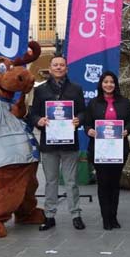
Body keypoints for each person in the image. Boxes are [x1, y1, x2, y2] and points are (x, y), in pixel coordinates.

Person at [27, 56, 88, 231]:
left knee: (71, 181)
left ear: (66, 69)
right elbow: (33, 113)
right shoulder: (41, 90)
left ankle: (75, 214)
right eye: (56, 65)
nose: (59, 67)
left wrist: (79, 120)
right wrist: (39, 120)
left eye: (62, 65)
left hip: (70, 143)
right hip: (49, 143)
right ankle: (50, 216)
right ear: (50, 68)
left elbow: (83, 112)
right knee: (51, 181)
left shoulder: (76, 89)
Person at [82, 71, 130, 230]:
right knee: (103, 183)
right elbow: (87, 123)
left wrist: (127, 130)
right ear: (101, 84)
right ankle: (106, 218)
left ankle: (113, 216)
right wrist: (89, 130)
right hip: (100, 150)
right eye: (106, 82)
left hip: (119, 150)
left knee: (114, 183)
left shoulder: (124, 102)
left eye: (111, 82)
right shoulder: (93, 103)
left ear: (115, 84)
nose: (109, 85)